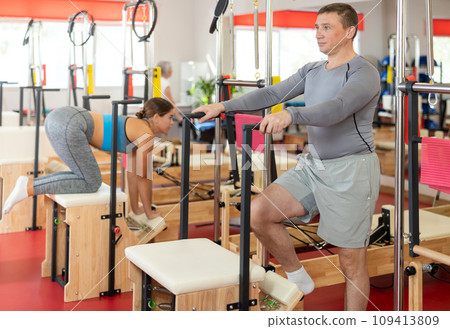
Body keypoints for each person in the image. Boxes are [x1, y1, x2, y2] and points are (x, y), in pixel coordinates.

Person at [193, 3, 381, 311]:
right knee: (258, 214)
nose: (318, 33)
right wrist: (223, 107)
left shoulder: (364, 72)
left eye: (327, 27)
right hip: (314, 165)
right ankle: (298, 275)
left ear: (349, 31)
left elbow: (337, 108)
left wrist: (291, 115)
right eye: (317, 26)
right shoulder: (313, 70)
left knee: (350, 261)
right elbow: (271, 94)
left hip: (352, 169)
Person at [2, 98, 175, 228]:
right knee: (92, 181)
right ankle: (28, 186)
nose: (173, 123)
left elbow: (133, 173)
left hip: (59, 118)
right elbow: (144, 177)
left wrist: (136, 209)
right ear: (157, 117)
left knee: (84, 177)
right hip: (70, 123)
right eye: (170, 117)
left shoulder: (138, 129)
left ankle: (28, 185)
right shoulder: (146, 134)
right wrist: (149, 212)